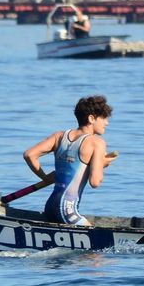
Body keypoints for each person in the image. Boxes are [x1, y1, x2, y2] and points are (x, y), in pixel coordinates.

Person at [24, 95, 117, 226]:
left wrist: (45, 178)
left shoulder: (59, 136)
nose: (107, 122)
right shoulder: (96, 142)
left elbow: (29, 155)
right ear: (91, 118)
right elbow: (95, 182)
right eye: (104, 118)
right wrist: (101, 164)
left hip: (50, 206)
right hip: (67, 210)